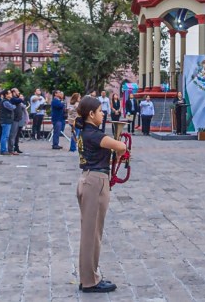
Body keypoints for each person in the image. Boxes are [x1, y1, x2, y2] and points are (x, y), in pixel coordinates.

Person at [74, 96, 127, 293]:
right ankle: (90, 280)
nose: (103, 113)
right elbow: (121, 146)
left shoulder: (85, 133)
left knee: (91, 232)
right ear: (91, 114)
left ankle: (88, 276)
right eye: (100, 111)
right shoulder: (93, 134)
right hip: (95, 181)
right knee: (92, 234)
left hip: (88, 179)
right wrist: (119, 147)